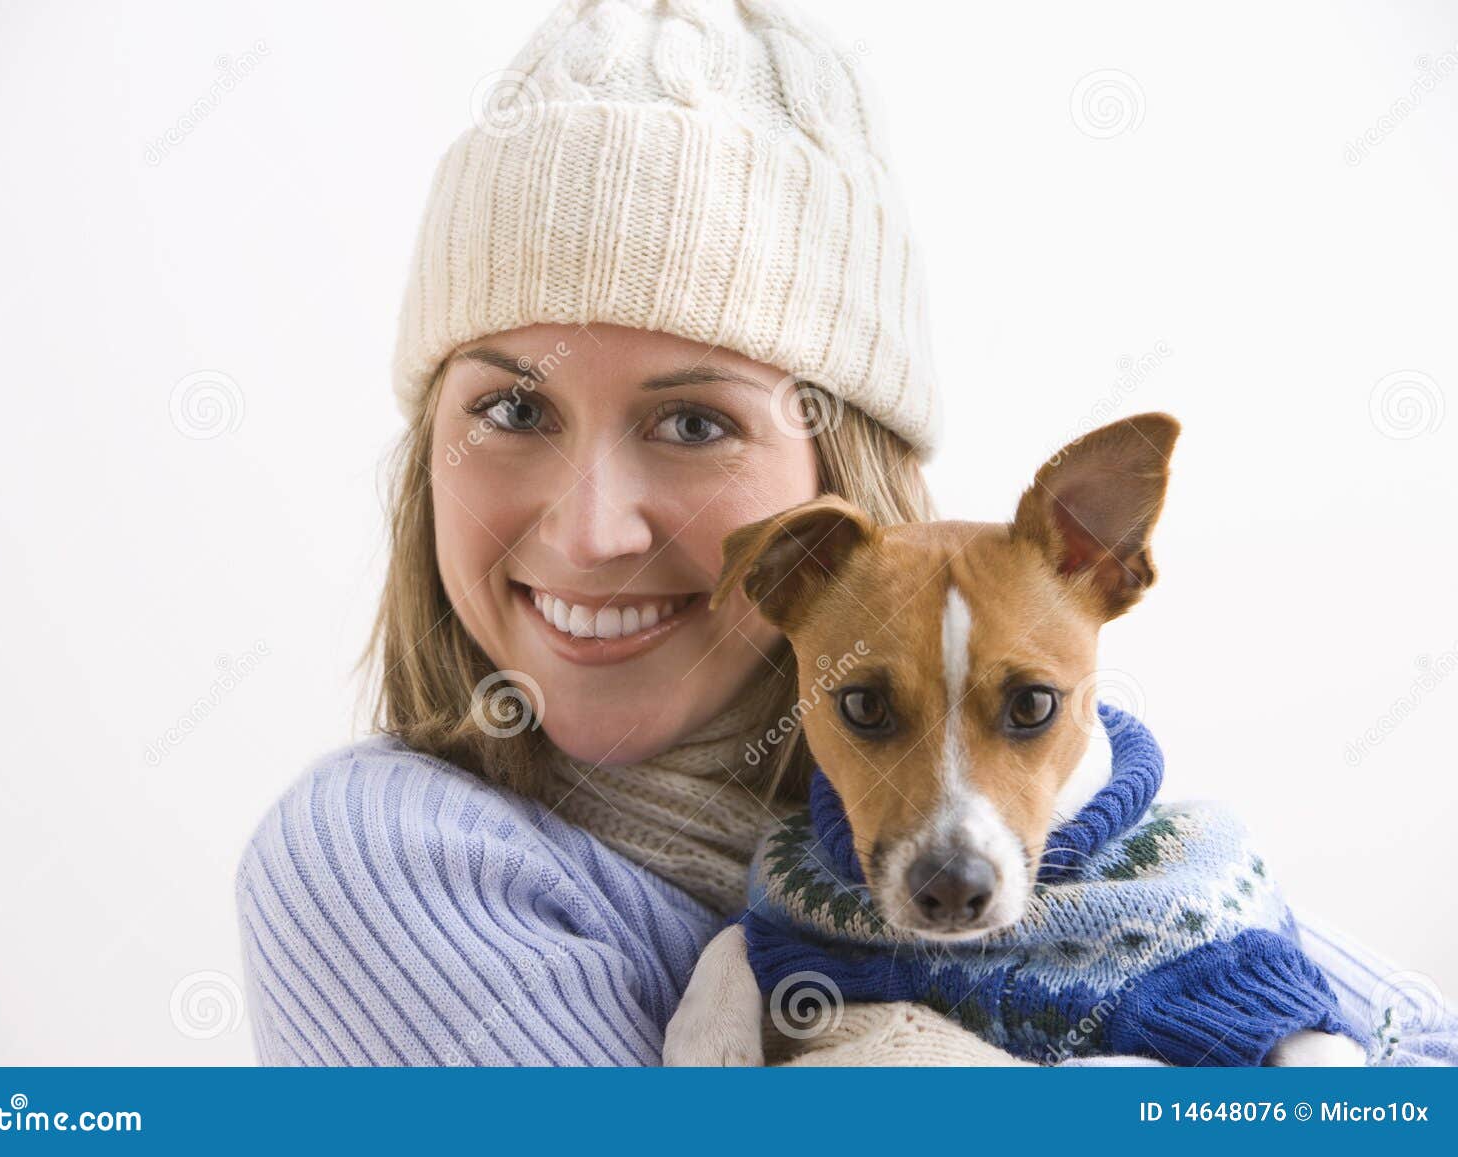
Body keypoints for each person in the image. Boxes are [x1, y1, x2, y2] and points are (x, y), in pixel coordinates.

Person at [235, 0, 1453, 1066]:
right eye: (511, 406)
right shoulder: (388, 859)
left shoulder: (1119, 845)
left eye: (695, 422)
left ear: (837, 467)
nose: (595, 528)